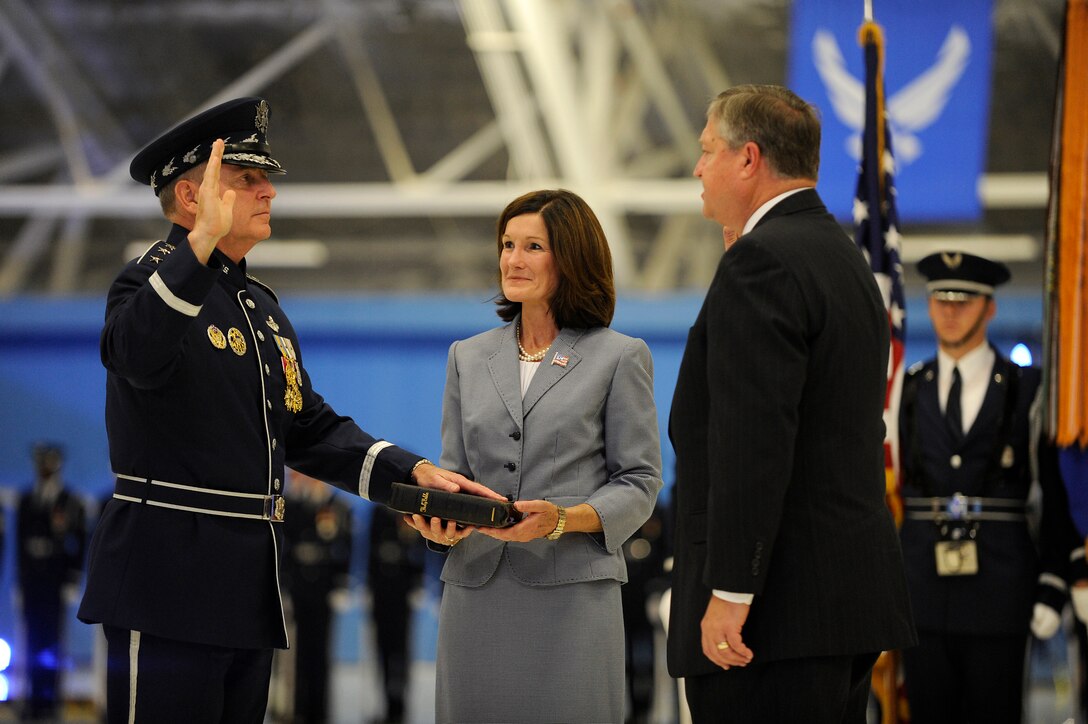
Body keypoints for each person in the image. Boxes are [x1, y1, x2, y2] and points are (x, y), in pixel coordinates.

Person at [76, 97, 493, 724]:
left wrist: (411, 476)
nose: (269, 190)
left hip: (247, 592)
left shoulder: (262, 310)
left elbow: (305, 427)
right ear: (192, 198)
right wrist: (200, 247)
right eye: (247, 178)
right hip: (164, 587)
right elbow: (133, 353)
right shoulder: (148, 282)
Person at [666, 84, 917, 723]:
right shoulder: (842, 258)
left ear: (748, 160)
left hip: (772, 618)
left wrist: (730, 589)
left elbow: (753, 441)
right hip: (838, 604)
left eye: (706, 152)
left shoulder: (764, 263)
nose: (698, 169)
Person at [404, 188, 664, 723]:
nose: (513, 260)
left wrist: (562, 520)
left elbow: (638, 482)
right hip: (474, 593)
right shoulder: (467, 357)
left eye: (533, 247)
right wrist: (439, 524)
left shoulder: (619, 356)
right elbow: (455, 474)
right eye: (506, 244)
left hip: (572, 598)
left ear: (571, 257)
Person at [898, 251, 1081, 723]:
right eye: (940, 300)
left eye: (964, 300)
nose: (950, 311)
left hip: (1000, 591)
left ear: (989, 307)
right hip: (920, 591)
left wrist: (1054, 582)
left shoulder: (1027, 388)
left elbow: (1057, 493)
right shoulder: (909, 388)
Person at [16, 442, 87, 722]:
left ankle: (50, 699)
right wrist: (19, 584)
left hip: (55, 580)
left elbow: (78, 541)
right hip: (33, 580)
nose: (44, 468)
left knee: (54, 641)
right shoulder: (25, 499)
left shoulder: (70, 501)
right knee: (31, 641)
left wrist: (72, 577)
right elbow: (20, 545)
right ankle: (33, 699)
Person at [280, 469, 354, 724]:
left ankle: (319, 711)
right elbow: (284, 547)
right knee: (297, 652)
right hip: (299, 585)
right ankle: (298, 708)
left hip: (324, 587)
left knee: (321, 652)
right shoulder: (291, 504)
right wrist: (283, 586)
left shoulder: (335, 505)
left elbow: (345, 546)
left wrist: (342, 584)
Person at [366, 503, 426, 724]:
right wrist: (369, 586)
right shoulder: (379, 512)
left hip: (403, 592)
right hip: (381, 591)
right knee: (381, 650)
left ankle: (399, 706)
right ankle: (384, 704)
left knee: (401, 651)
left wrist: (418, 583)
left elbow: (419, 548)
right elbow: (370, 551)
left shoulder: (412, 511)